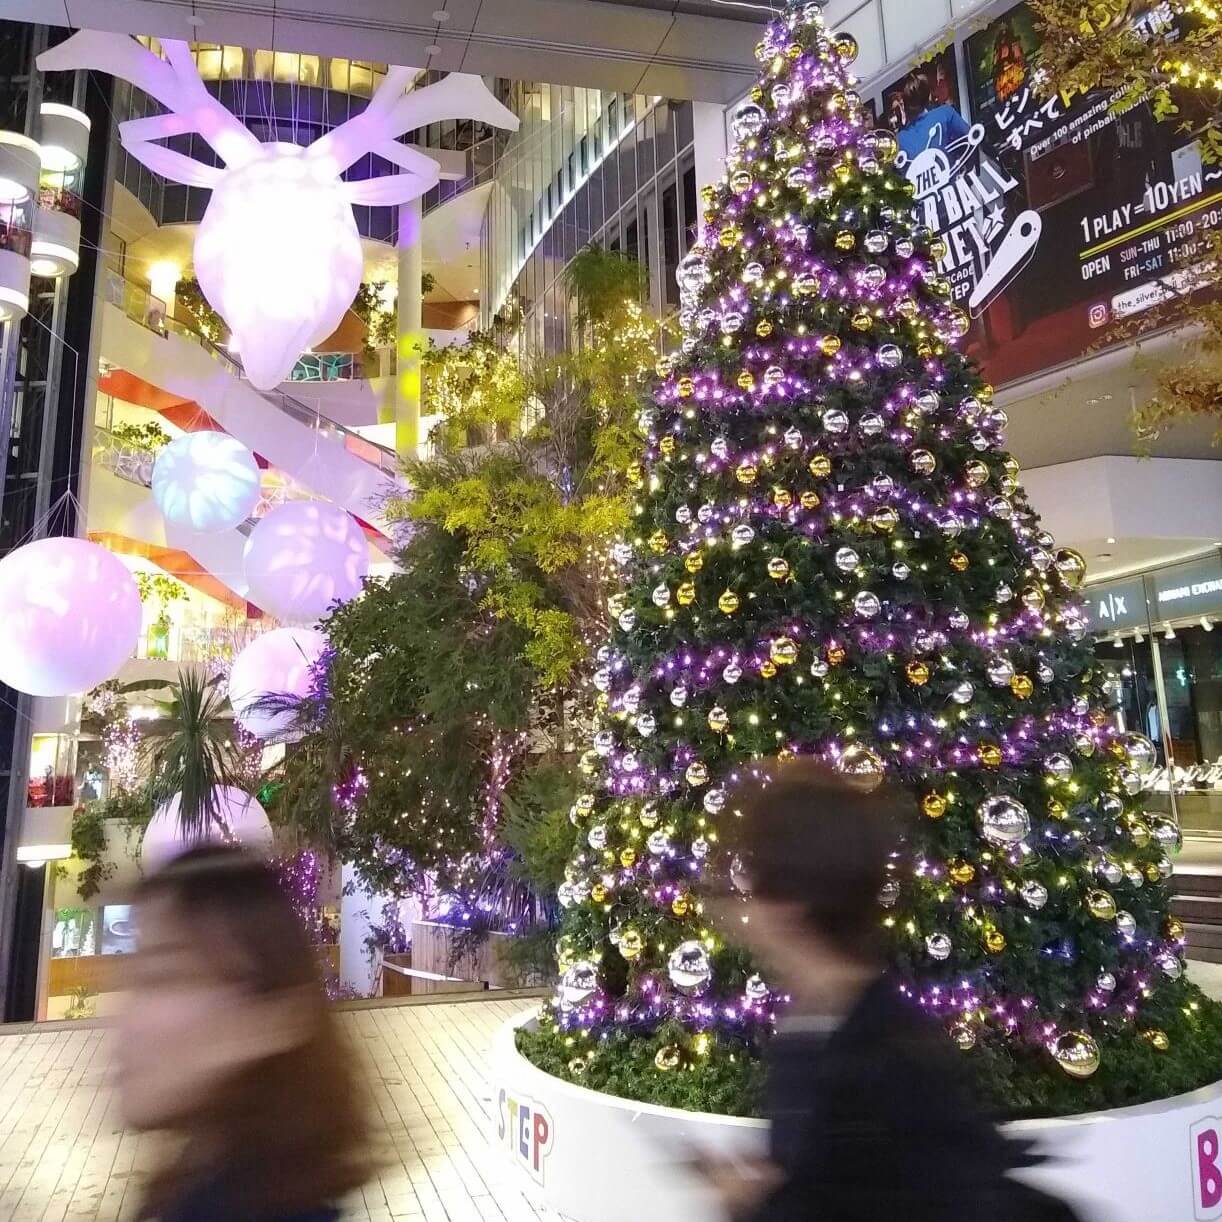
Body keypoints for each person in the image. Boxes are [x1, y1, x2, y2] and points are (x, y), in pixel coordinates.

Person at [704, 760, 1081, 1222]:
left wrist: (752, 1205)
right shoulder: (819, 1028)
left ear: (788, 901)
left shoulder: (883, 1061)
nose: (731, 906)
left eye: (745, 879)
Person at [118, 845, 375, 1222]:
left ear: (272, 1016)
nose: (126, 1016)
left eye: (162, 976)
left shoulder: (251, 1204)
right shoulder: (204, 1185)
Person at [896, 71, 971, 163]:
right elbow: (970, 138)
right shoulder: (945, 113)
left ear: (904, 105)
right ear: (929, 97)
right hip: (954, 173)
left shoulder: (900, 139)